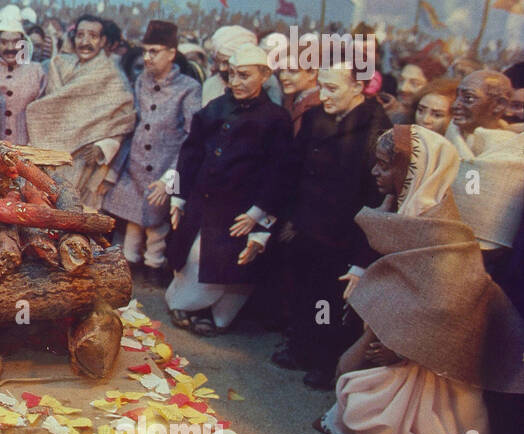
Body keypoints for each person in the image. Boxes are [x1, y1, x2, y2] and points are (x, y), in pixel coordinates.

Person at [319, 125, 524, 434]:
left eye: (384, 167)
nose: (376, 174)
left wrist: (404, 344)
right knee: (358, 392)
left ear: (414, 171)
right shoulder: (406, 209)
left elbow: (448, 297)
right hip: (409, 338)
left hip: (440, 354)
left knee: (439, 431)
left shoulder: (436, 221)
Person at [165, 43, 293, 337]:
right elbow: (188, 154)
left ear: (264, 75)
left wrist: (258, 213)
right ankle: (188, 305)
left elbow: (280, 172)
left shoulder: (276, 118)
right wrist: (178, 196)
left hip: (241, 208)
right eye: (232, 74)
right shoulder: (215, 108)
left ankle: (220, 318)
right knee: (193, 257)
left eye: (244, 76)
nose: (235, 82)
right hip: (202, 201)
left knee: (232, 269)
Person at [276, 62, 390, 388]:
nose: (323, 96)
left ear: (358, 87)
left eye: (333, 88)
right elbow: (293, 170)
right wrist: (290, 217)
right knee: (304, 293)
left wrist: (362, 255)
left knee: (328, 302)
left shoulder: (376, 129)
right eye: (321, 86)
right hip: (308, 226)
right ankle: (300, 345)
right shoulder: (316, 118)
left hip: (344, 236)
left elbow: (374, 198)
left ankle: (324, 360)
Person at [101, 21, 200, 289]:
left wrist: (171, 180)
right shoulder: (140, 81)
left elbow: (193, 139)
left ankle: (155, 264)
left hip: (167, 169)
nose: (147, 57)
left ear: (171, 52)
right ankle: (129, 263)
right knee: (133, 219)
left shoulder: (188, 88)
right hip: (135, 167)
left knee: (157, 225)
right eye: (145, 51)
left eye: (154, 51)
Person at [24, 13, 135, 207]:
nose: (85, 42)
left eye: (92, 36)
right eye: (80, 35)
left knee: (72, 215)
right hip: (47, 153)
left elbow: (123, 118)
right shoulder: (59, 65)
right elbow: (45, 109)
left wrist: (103, 147)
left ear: (102, 41)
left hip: (83, 160)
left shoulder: (111, 75)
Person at [444, 70, 523, 285]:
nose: (456, 105)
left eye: (468, 98)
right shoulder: (445, 138)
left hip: (489, 273)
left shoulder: (515, 155)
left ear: (498, 105)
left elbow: (474, 194)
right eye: (457, 96)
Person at [0, 10, 45, 145]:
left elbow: (44, 113)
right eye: (4, 42)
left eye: (16, 42)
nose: (11, 48)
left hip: (27, 150)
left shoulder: (36, 71)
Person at [277, 49, 321, 137]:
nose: (283, 77)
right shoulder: (289, 98)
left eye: (292, 71)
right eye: (281, 71)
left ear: (312, 73)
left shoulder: (319, 105)